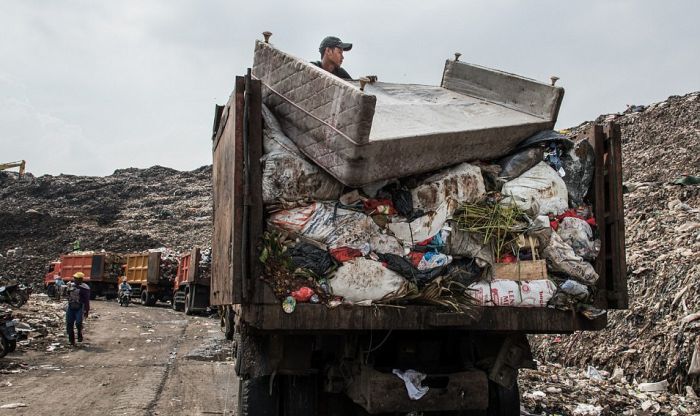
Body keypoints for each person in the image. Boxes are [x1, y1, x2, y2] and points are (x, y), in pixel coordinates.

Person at [65, 272, 90, 346]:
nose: (75, 280)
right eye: (74, 278)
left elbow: (86, 300)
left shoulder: (85, 288)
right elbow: (66, 295)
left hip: (79, 307)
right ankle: (71, 340)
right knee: (69, 323)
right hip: (71, 307)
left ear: (81, 279)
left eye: (76, 279)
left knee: (78, 323)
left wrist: (87, 311)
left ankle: (79, 333)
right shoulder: (71, 286)